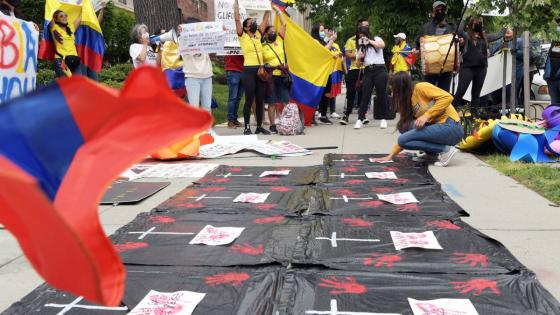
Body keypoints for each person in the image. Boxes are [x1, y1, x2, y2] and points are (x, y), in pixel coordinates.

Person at [372, 71, 463, 167]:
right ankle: (432, 154)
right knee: (404, 126)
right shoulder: (408, 101)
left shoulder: (420, 87)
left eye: (395, 90)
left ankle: (446, 150)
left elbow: (447, 97)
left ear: (402, 88)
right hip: (438, 128)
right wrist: (391, 155)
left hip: (451, 126)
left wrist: (426, 116)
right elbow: (407, 134)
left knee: (402, 139)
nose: (393, 94)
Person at [452, 17, 508, 114]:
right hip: (467, 68)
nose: (478, 25)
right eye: (475, 23)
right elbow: (459, 30)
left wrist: (506, 27)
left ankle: (473, 118)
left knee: (476, 94)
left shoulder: (485, 37)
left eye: (479, 23)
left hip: (481, 69)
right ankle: (450, 114)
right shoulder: (466, 36)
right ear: (471, 25)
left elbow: (498, 35)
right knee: (460, 92)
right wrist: (464, 17)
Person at [234, 0, 271, 135]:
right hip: (248, 71)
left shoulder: (258, 34)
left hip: (260, 71)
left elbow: (266, 17)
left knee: (260, 99)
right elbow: (237, 19)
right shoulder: (242, 36)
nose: (254, 23)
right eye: (251, 23)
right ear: (246, 27)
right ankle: (247, 127)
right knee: (249, 99)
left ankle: (259, 126)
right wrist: (236, 5)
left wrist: (269, 6)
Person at [413, 1, 456, 91]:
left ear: (446, 12)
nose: (440, 11)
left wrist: (460, 42)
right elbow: (416, 42)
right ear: (433, 13)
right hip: (430, 69)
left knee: (443, 95)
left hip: (446, 69)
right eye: (437, 10)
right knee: (428, 95)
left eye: (442, 9)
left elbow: (459, 44)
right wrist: (415, 49)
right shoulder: (425, 27)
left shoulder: (452, 28)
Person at [354, 26, 389, 130]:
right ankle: (360, 119)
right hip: (368, 71)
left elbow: (382, 45)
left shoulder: (376, 39)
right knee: (365, 95)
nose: (362, 39)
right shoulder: (360, 48)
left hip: (380, 69)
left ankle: (383, 118)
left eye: (363, 36)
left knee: (381, 94)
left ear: (367, 35)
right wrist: (360, 58)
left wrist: (369, 41)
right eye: (360, 37)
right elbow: (358, 65)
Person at [262, 6, 288, 134]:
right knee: (271, 102)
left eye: (274, 31)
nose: (273, 33)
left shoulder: (279, 39)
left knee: (284, 101)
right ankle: (272, 125)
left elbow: (285, 24)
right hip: (270, 77)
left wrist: (278, 12)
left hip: (282, 76)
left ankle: (285, 123)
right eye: (270, 32)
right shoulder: (262, 47)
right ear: (266, 34)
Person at [181, 18, 214, 119]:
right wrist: (182, 32)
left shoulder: (204, 38)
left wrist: (220, 32)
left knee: (207, 107)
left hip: (207, 75)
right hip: (192, 76)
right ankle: (195, 132)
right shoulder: (183, 40)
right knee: (194, 108)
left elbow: (214, 46)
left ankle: (207, 131)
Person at [341, 18, 369, 125]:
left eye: (367, 27)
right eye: (364, 27)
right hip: (354, 70)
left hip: (365, 69)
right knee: (351, 93)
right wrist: (357, 55)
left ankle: (362, 116)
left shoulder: (368, 40)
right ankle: (346, 114)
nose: (366, 29)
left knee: (363, 93)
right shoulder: (351, 40)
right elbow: (347, 54)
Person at [310, 22, 338, 124]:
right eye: (321, 30)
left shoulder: (322, 40)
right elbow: (323, 51)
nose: (324, 32)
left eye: (323, 30)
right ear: (316, 31)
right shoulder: (314, 41)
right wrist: (331, 40)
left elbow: (327, 52)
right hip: (318, 72)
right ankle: (312, 115)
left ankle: (323, 115)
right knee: (316, 93)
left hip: (327, 71)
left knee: (327, 93)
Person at [50, 9, 82, 77]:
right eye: (61, 16)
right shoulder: (54, 28)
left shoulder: (71, 28)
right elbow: (49, 13)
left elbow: (80, 17)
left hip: (74, 59)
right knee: (65, 85)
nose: (64, 17)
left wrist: (85, 3)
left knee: (78, 83)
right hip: (61, 60)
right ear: (56, 19)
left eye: (65, 15)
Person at [225, 55, 244, 129]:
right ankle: (230, 121)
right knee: (233, 98)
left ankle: (234, 119)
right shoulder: (230, 43)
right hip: (233, 69)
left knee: (238, 98)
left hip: (243, 70)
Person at [544, 18, 560, 105]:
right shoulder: (556, 42)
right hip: (552, 79)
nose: (558, 26)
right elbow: (552, 57)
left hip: (555, 78)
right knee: (555, 105)